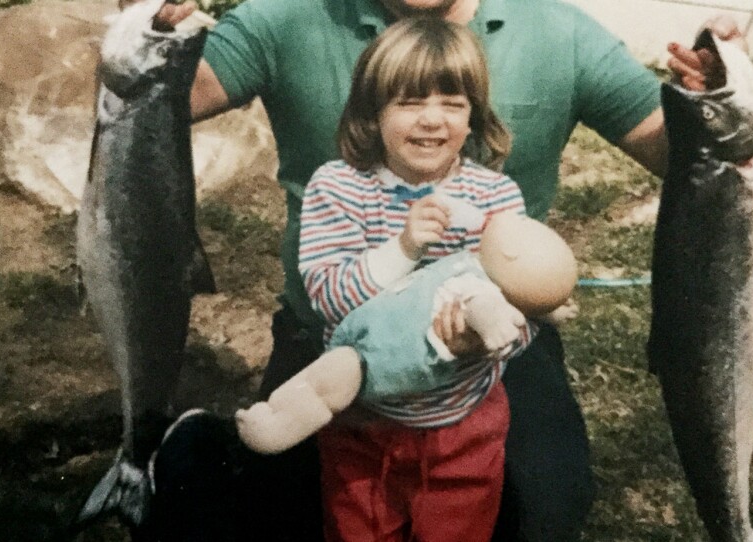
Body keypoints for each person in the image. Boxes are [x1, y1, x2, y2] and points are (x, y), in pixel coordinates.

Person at [138, 0, 746, 539]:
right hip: (331, 336)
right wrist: (147, 24)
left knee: (545, 507)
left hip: (487, 340)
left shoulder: (558, 30)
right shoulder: (287, 16)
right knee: (288, 506)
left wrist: (717, 92)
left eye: (452, 105)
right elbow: (150, 94)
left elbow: (683, 151)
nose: (431, 121)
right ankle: (194, 447)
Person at [232, 20, 577, 541]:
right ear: (373, 112)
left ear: (474, 117)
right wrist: (401, 249)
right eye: (410, 102)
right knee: (358, 527)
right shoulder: (339, 188)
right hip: (364, 416)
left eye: (453, 104)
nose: (432, 121)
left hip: (463, 421)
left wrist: (481, 342)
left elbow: (522, 305)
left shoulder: (495, 197)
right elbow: (328, 297)